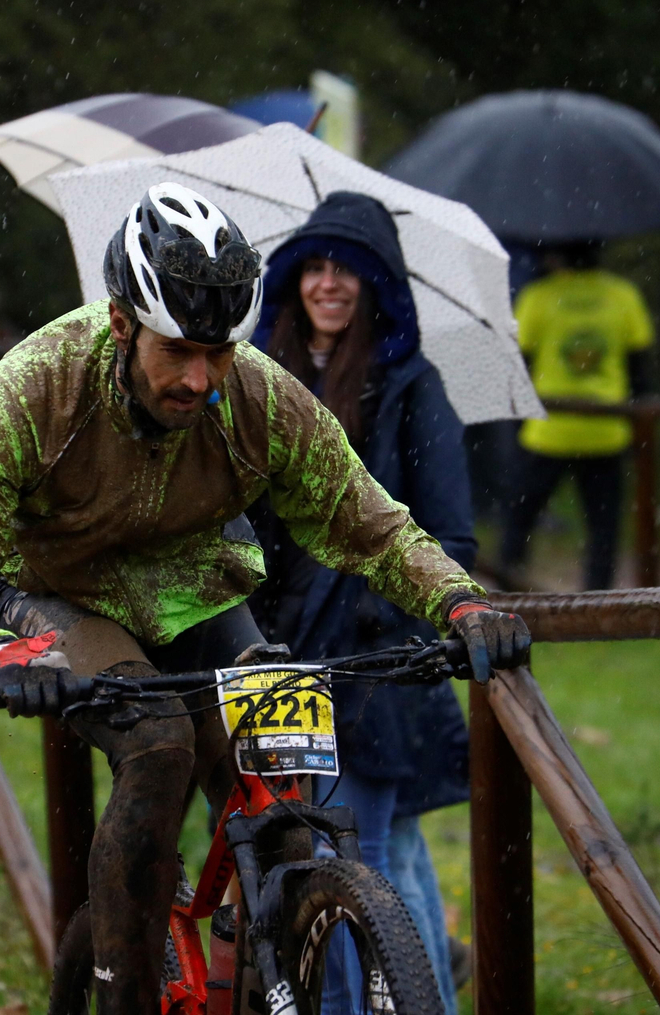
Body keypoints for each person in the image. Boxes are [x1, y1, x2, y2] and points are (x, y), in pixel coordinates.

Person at [0, 182, 531, 1015]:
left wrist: (462, 604)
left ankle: (272, 956)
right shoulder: (35, 390)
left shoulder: (258, 395)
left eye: (222, 352)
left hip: (199, 593)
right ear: (123, 323)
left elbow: (369, 523)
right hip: (63, 598)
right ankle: (124, 989)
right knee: (159, 743)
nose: (202, 379)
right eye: (180, 352)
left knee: (285, 773)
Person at [248, 191, 473, 1014]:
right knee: (378, 861)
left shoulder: (410, 387)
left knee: (349, 870)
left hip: (369, 670)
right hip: (276, 661)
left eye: (347, 268)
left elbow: (453, 537)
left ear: (376, 283)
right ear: (294, 279)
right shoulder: (258, 381)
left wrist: (389, 623)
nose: (329, 283)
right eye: (316, 265)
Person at [499, 241, 653, 591]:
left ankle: (506, 589)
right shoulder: (623, 295)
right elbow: (640, 367)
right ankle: (597, 599)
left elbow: (517, 363)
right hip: (606, 429)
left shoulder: (538, 295)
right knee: (604, 525)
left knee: (520, 516)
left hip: (548, 429)